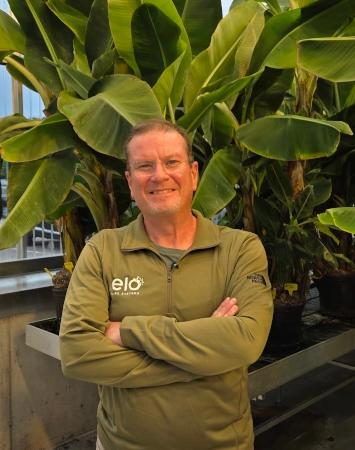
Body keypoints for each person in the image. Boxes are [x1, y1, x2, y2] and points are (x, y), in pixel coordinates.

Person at [59, 119, 273, 450]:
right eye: (145, 166)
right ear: (130, 182)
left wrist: (129, 331)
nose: (160, 175)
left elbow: (246, 341)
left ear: (194, 173)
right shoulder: (102, 251)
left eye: (172, 162)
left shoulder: (239, 249)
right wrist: (204, 359)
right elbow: (77, 353)